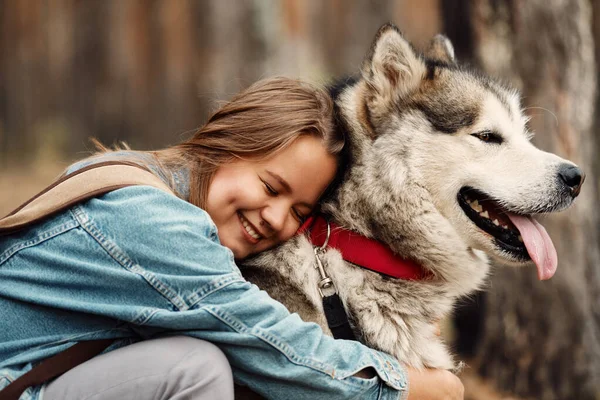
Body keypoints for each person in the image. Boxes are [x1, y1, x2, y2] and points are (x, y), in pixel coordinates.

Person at [0, 77, 463, 400]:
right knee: (195, 369)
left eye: (299, 212)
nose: (275, 219)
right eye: (270, 187)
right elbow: (277, 349)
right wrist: (406, 384)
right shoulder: (153, 222)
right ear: (228, 143)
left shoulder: (137, 176)